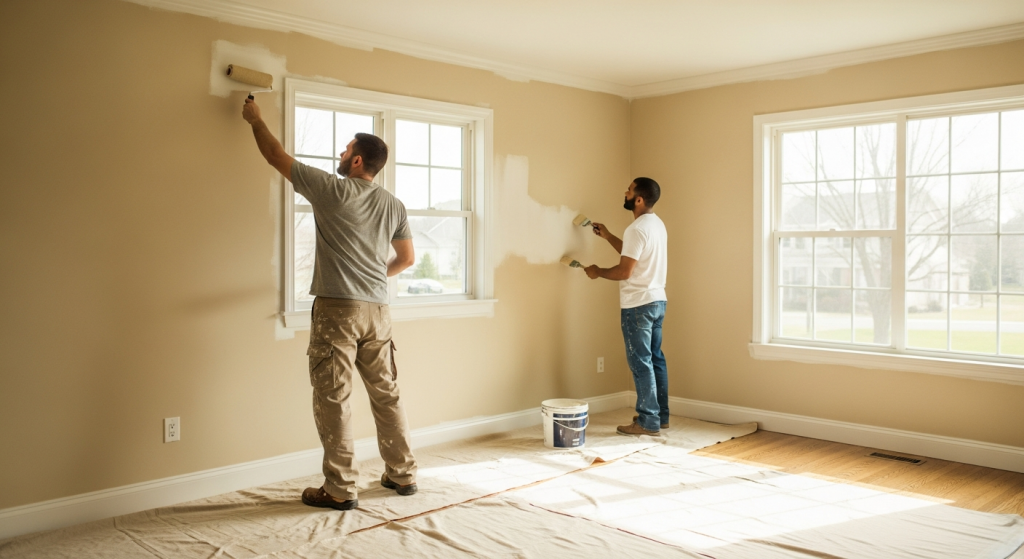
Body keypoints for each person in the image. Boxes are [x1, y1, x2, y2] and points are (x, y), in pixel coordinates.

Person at [242, 98, 418, 511]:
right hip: (378, 311)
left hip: (339, 311)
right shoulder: (394, 204)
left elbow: (275, 155)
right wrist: (372, 278)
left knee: (334, 397)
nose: (340, 154)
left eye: (345, 149)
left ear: (356, 161)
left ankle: (340, 488)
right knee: (386, 393)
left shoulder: (332, 189)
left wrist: (255, 120)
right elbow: (407, 259)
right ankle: (403, 473)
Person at [585, 178, 669, 436]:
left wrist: (598, 271)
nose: (626, 192)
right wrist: (608, 236)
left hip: (638, 305)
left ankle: (647, 421)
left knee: (640, 362)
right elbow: (633, 255)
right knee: (655, 359)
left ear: (639, 199)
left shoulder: (636, 229)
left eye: (630, 190)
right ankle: (660, 416)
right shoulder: (656, 224)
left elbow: (624, 271)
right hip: (657, 300)